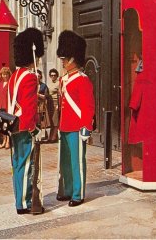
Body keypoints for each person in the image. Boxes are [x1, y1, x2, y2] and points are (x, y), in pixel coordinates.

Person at [56, 30, 95, 207]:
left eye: (65, 58)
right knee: (65, 162)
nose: (63, 61)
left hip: (77, 127)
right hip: (65, 126)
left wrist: (87, 127)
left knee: (77, 162)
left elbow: (88, 106)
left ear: (73, 59)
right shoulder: (64, 80)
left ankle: (78, 194)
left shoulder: (83, 79)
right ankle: (68, 189)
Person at [8, 27, 44, 215]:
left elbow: (18, 100)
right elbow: (29, 108)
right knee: (26, 164)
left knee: (17, 163)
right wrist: (33, 128)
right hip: (24, 126)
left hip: (13, 124)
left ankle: (19, 198)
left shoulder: (15, 76)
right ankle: (24, 203)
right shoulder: (30, 77)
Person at [0, 66, 12, 149]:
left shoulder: (11, 84)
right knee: (1, 125)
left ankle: (8, 141)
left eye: (6, 74)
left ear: (9, 75)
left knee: (7, 125)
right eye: (3, 74)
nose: (4, 76)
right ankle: (4, 141)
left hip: (7, 107)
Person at [36, 69, 50, 140]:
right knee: (35, 121)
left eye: (38, 76)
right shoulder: (32, 85)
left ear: (40, 76)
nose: (37, 77)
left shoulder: (43, 86)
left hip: (41, 105)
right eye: (36, 76)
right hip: (34, 105)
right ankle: (36, 136)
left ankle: (41, 136)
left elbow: (46, 96)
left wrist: (38, 95)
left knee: (41, 121)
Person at [47, 68, 60, 142]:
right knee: (51, 121)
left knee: (55, 120)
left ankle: (53, 137)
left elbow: (60, 94)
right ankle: (51, 136)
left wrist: (58, 104)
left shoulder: (58, 83)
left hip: (55, 102)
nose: (53, 76)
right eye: (51, 75)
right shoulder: (50, 83)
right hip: (50, 103)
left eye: (54, 75)